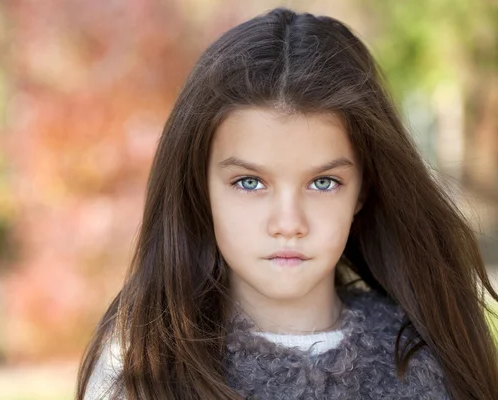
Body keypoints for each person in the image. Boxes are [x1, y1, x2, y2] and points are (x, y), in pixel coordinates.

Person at [76, 7, 498, 400]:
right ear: (200, 188)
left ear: (363, 191)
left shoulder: (430, 367)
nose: (288, 222)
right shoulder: (138, 372)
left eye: (323, 182)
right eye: (248, 182)